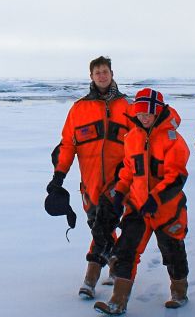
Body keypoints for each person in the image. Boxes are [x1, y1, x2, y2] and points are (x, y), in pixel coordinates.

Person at [94, 88, 190, 316]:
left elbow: (176, 176)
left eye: (148, 113)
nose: (143, 117)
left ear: (158, 112)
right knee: (126, 250)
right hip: (137, 206)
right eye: (140, 113)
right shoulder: (132, 138)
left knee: (172, 251)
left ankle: (179, 291)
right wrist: (119, 195)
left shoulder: (173, 140)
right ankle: (118, 301)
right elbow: (128, 171)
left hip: (167, 209)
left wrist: (156, 199)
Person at [46, 56, 131, 299]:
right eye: (97, 73)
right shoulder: (79, 109)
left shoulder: (128, 106)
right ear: (91, 77)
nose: (102, 76)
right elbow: (67, 145)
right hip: (90, 184)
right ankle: (116, 266)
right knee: (98, 225)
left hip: (119, 182)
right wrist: (58, 176)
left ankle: (90, 279)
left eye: (105, 71)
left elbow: (140, 142)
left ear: (112, 74)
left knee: (103, 227)